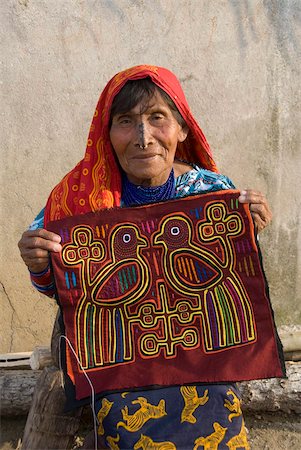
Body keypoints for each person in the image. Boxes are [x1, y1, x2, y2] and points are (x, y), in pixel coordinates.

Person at [18, 65, 272, 449]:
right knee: (119, 398)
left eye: (158, 118)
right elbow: (62, 292)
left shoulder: (209, 192)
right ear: (107, 134)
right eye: (126, 121)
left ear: (182, 129)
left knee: (216, 391)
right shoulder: (77, 201)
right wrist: (39, 266)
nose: (143, 137)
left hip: (192, 336)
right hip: (113, 339)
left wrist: (248, 236)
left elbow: (231, 284)